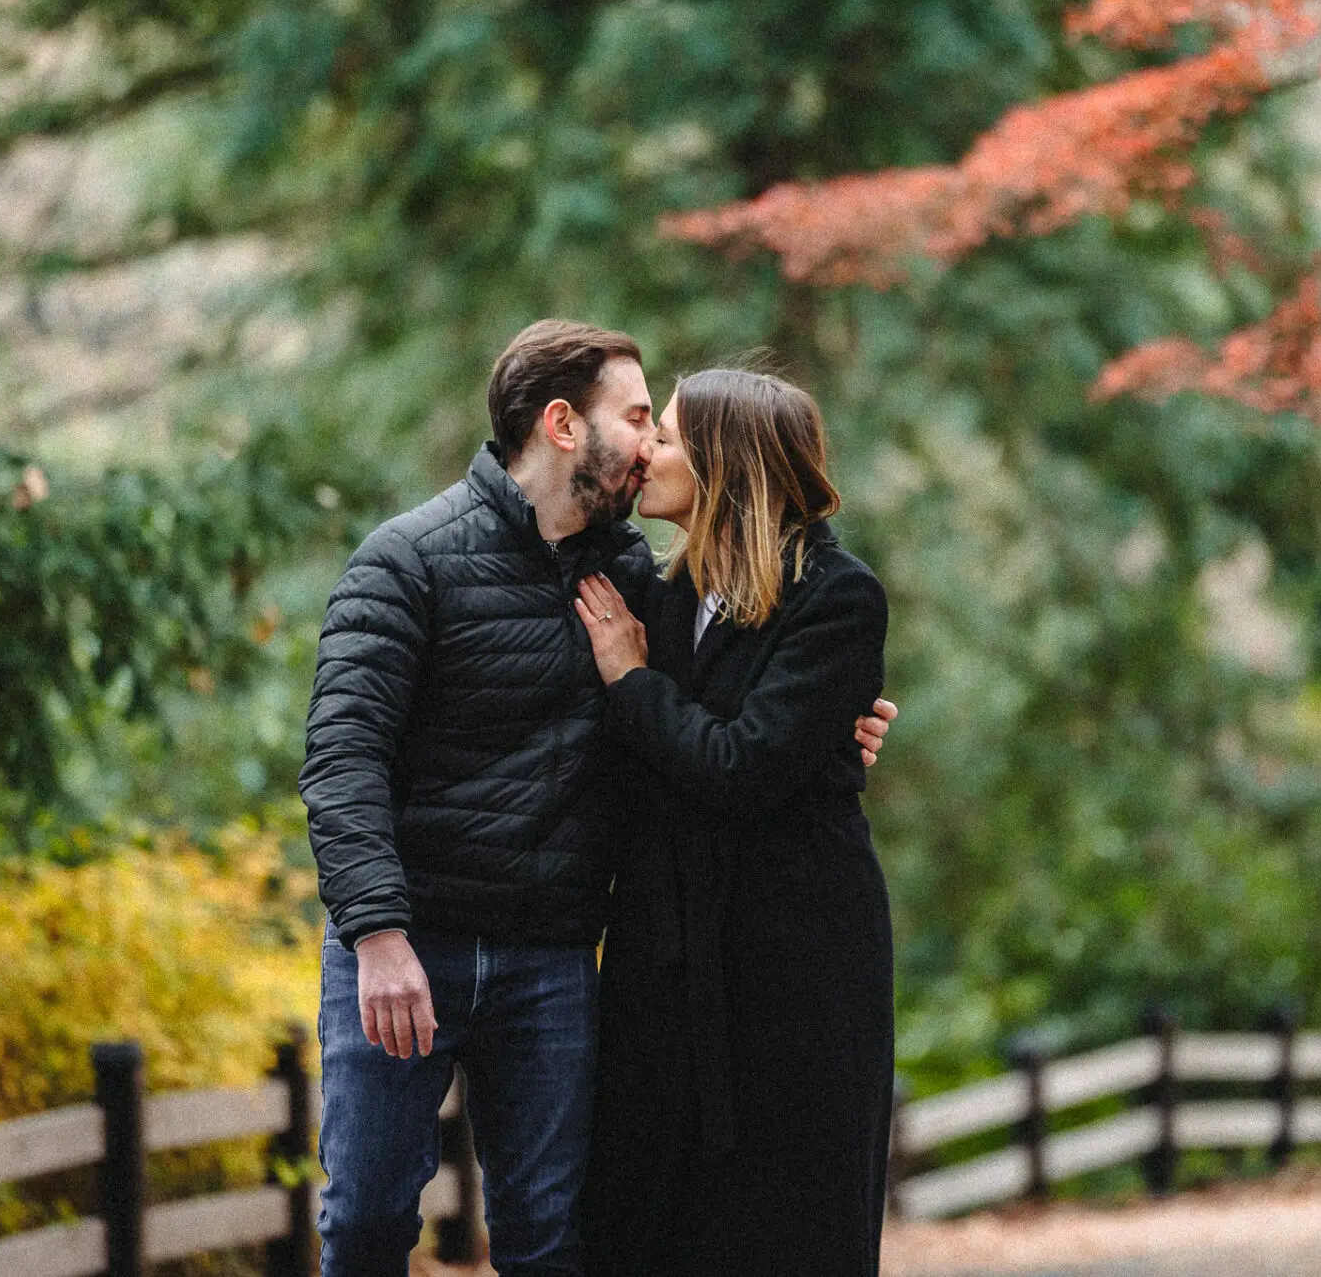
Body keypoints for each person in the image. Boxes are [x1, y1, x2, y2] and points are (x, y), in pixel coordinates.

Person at [299, 321, 894, 1277]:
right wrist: (376, 933)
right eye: (638, 419)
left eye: (664, 428)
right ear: (566, 426)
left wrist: (839, 732)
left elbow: (727, 725)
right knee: (366, 1222)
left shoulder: (632, 577)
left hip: (554, 958)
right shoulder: (407, 560)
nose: (651, 442)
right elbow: (342, 756)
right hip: (416, 946)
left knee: (549, 1237)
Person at [574, 365, 896, 1277]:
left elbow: (741, 769)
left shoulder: (837, 597)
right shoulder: (666, 597)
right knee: (644, 1226)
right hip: (665, 963)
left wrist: (634, 686)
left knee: (785, 1227)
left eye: (666, 437)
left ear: (725, 465)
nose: (647, 452)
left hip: (795, 971)